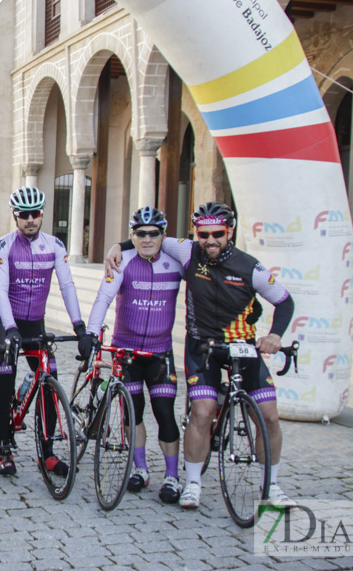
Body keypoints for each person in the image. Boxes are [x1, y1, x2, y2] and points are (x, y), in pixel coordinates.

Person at [105, 201, 297, 508]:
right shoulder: (187, 250)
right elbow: (147, 237)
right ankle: (192, 483)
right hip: (202, 347)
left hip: (242, 346)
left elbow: (285, 301)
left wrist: (275, 335)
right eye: (203, 234)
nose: (210, 240)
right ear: (196, 233)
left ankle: (271, 485)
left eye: (218, 233)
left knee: (269, 417)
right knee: (203, 412)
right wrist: (117, 245)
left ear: (229, 232)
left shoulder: (250, 266)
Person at [84, 206, 182, 504]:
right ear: (132, 235)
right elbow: (103, 299)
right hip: (126, 351)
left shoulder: (177, 262)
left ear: (163, 235)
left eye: (154, 233)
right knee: (133, 412)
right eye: (141, 234)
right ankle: (139, 469)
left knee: (165, 414)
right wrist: (90, 334)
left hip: (160, 353)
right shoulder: (123, 261)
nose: (148, 239)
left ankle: (172, 476)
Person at [0, 186, 88, 477]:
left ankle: (47, 454)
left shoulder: (55, 246)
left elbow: (67, 285)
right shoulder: (3, 246)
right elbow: (0, 289)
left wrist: (79, 326)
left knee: (49, 383)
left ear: (42, 214)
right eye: (24, 215)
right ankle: (5, 449)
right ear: (15, 216)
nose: (30, 220)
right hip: (7, 323)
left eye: (35, 214)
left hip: (36, 323)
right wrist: (8, 328)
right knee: (5, 385)